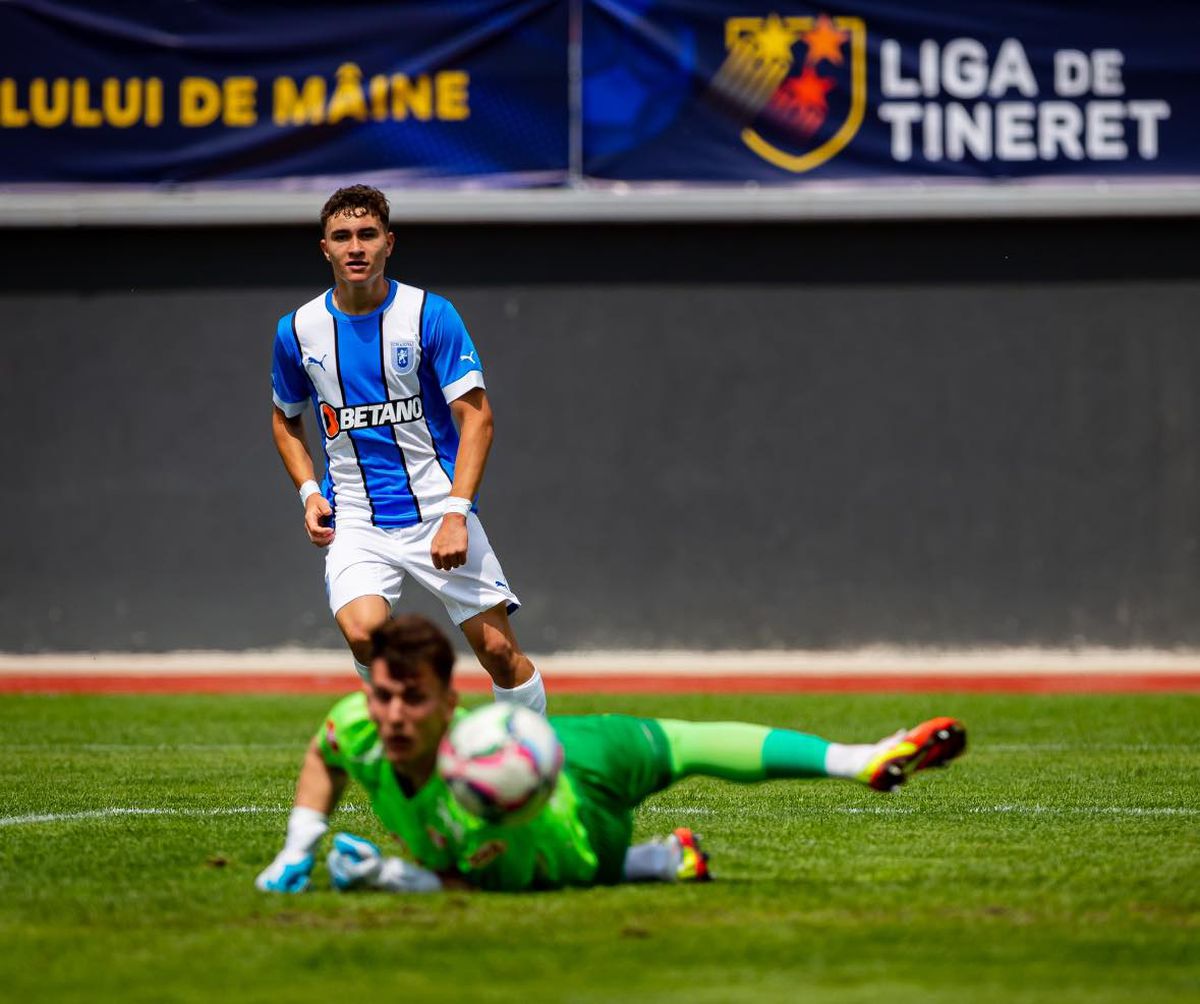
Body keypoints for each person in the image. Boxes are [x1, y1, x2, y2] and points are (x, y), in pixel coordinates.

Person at [256, 615, 967, 894]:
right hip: (561, 784)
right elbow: (327, 751)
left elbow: (467, 883)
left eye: (412, 699)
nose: (391, 714)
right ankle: (662, 859)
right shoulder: (356, 723)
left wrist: (386, 876)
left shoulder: (473, 799)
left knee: (682, 744)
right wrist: (298, 846)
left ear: (451, 705)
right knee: (678, 754)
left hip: (576, 804)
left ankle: (859, 760)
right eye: (382, 696)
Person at [270, 184, 544, 714]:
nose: (356, 246)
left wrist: (457, 514)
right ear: (324, 248)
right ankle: (421, 730)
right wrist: (308, 491)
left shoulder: (430, 315)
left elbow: (478, 420)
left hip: (436, 509)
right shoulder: (298, 330)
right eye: (342, 236)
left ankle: (532, 762)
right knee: (364, 633)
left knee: (498, 652)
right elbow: (285, 417)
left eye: (367, 234)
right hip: (357, 517)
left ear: (388, 243)